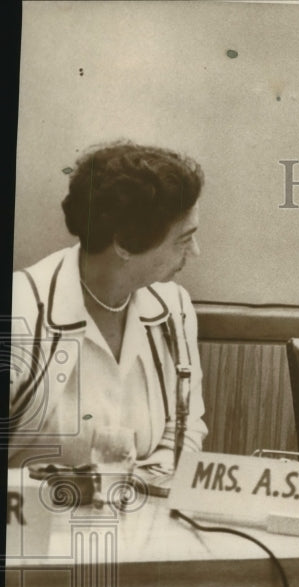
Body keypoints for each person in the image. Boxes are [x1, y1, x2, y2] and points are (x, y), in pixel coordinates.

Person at [7, 141, 207, 470]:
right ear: (125, 244)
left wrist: (139, 493)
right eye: (184, 239)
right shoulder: (19, 313)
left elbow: (183, 432)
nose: (195, 252)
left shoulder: (174, 309)